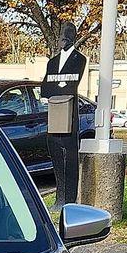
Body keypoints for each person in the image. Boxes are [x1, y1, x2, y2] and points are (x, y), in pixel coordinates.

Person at [41, 22, 87, 209]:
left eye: (67, 36)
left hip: (70, 116)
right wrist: (57, 87)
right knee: (56, 154)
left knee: (70, 157)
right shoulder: (52, 62)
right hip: (54, 115)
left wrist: (59, 86)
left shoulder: (79, 59)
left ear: (73, 38)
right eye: (62, 36)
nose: (63, 40)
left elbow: (71, 85)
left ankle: (69, 199)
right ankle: (59, 197)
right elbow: (45, 87)